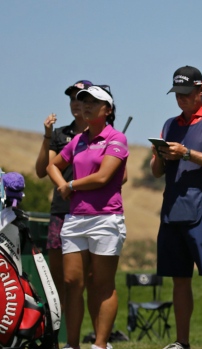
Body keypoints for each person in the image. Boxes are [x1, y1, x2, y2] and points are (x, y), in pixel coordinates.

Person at [150, 66, 202, 349]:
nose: (181, 99)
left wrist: (186, 153)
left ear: (201, 89)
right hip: (173, 209)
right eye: (177, 94)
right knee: (179, 278)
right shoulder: (170, 124)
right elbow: (156, 172)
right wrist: (160, 155)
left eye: (187, 93)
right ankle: (181, 342)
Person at [47, 85, 129, 349]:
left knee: (102, 285)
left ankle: (100, 345)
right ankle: (72, 344)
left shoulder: (116, 138)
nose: (86, 106)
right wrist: (62, 183)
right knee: (72, 283)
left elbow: (103, 177)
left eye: (94, 102)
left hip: (106, 219)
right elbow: (53, 165)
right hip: (75, 219)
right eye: (83, 102)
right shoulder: (78, 140)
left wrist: (70, 186)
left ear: (108, 110)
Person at [35, 80, 92, 311]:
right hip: (62, 211)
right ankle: (59, 338)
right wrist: (47, 136)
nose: (75, 103)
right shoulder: (60, 135)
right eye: (72, 98)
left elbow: (122, 177)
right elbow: (42, 171)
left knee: (89, 280)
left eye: (81, 98)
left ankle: (95, 339)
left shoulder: (102, 135)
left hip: (90, 211)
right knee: (60, 282)